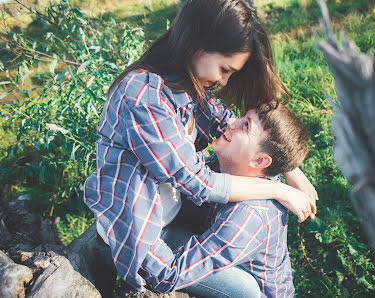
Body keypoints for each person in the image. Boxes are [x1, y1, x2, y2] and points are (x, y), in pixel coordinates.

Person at [83, 0, 317, 291]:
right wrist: (277, 187)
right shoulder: (144, 97)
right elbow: (199, 182)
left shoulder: (184, 81)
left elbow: (223, 121)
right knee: (245, 291)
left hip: (168, 211)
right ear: (198, 43)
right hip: (142, 232)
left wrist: (291, 170)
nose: (222, 80)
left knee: (244, 231)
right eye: (224, 68)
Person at [140, 103, 310, 297]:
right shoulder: (234, 166)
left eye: (245, 126)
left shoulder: (248, 216)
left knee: (160, 235)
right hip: (226, 256)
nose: (230, 122)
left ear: (260, 161)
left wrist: (133, 235)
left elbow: (171, 274)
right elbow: (188, 171)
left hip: (249, 290)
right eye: (241, 117)